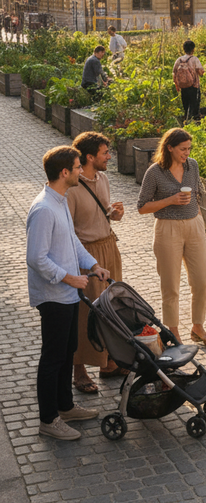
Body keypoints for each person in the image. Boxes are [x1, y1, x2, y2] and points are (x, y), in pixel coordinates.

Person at [27, 146, 110, 441]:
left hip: (68, 293)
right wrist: (68, 278)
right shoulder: (43, 209)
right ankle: (48, 420)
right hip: (53, 296)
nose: (80, 172)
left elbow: (72, 241)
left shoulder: (60, 201)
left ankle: (65, 406)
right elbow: (36, 258)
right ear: (65, 173)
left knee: (66, 351)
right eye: (77, 168)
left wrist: (93, 265)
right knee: (53, 358)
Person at [137, 128, 206, 348]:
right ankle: (173, 332)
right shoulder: (155, 172)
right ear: (169, 148)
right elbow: (142, 207)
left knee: (201, 281)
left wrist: (197, 216)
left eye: (189, 148)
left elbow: (197, 194)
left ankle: (198, 327)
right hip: (167, 229)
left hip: (194, 226)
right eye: (183, 149)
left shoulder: (193, 165)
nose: (187, 153)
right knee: (170, 286)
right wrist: (171, 200)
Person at [68, 132, 126, 394]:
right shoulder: (72, 187)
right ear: (90, 157)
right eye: (105, 153)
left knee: (112, 307)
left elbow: (103, 214)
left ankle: (107, 362)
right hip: (86, 255)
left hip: (109, 247)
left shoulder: (102, 178)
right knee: (86, 313)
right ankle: (78, 370)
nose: (109, 157)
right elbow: (68, 232)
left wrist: (115, 214)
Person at [173, 40, 204, 124]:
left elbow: (174, 72)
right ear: (193, 49)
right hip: (194, 86)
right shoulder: (194, 59)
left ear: (183, 49)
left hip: (183, 86)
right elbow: (200, 72)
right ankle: (195, 122)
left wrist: (177, 85)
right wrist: (202, 72)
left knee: (186, 105)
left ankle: (186, 121)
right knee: (195, 105)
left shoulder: (179, 60)